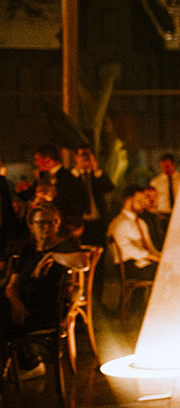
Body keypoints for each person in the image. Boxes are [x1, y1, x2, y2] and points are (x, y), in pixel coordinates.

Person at [2, 203, 87, 377]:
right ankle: (27, 363)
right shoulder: (27, 250)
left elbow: (83, 262)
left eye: (49, 222)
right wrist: (16, 304)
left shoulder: (65, 246)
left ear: (57, 223)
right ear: (32, 226)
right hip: (22, 305)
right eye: (40, 223)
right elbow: (12, 285)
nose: (44, 227)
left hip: (46, 309)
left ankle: (28, 364)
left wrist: (52, 256)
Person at [16, 143, 87, 240]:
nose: (35, 163)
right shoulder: (43, 177)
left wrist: (52, 198)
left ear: (48, 159)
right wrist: (20, 190)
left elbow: (75, 202)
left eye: (37, 159)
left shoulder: (68, 178)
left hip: (63, 228)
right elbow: (32, 193)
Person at [108, 185, 161, 281]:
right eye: (139, 201)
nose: (143, 204)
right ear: (128, 201)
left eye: (143, 201)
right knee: (165, 273)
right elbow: (125, 248)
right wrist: (150, 256)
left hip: (145, 262)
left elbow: (149, 246)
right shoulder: (119, 223)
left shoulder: (141, 222)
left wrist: (160, 256)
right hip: (129, 265)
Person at [72, 144, 115, 247]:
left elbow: (109, 188)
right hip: (80, 223)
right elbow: (70, 194)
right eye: (82, 156)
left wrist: (96, 170)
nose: (85, 159)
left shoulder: (97, 175)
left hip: (98, 222)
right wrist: (76, 172)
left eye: (87, 156)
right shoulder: (72, 176)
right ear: (76, 158)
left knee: (100, 251)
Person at [149, 152, 180, 222]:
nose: (165, 169)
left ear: (173, 165)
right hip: (163, 215)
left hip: (179, 213)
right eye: (162, 166)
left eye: (167, 166)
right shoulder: (155, 182)